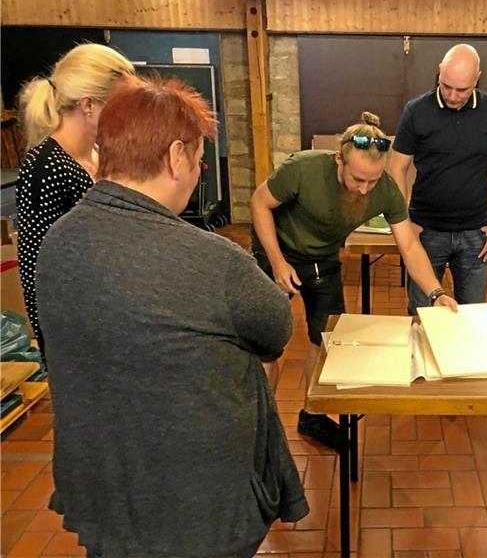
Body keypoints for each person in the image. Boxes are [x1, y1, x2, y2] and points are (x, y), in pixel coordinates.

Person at [36, 76, 308, 558]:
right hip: (193, 504)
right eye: (200, 159)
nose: (200, 170)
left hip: (105, 483)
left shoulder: (58, 242)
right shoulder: (213, 260)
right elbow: (276, 328)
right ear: (176, 156)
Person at [251, 111, 457, 450]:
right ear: (339, 160)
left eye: (372, 182)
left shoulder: (385, 190)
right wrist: (276, 262)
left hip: (325, 261)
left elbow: (408, 244)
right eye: (358, 179)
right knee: (266, 346)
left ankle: (312, 416)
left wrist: (436, 292)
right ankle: (259, 432)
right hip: (277, 254)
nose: (364, 189)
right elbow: (259, 203)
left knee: (327, 340)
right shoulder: (302, 168)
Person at [16, 42, 134, 358]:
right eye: (122, 106)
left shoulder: (97, 154)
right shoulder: (45, 166)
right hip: (79, 331)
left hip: (114, 312)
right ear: (88, 105)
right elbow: (36, 267)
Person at [388, 43, 487, 314]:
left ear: (477, 79)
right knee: (422, 313)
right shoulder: (416, 110)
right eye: (446, 86)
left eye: (462, 89)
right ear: (439, 73)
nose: (453, 96)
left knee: (472, 316)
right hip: (426, 230)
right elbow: (396, 167)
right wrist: (405, 222)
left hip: (475, 232)